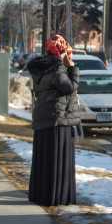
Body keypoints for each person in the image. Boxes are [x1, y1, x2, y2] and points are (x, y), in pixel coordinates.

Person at [26, 34, 80, 206]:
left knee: (44, 159)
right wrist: (72, 67)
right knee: (58, 160)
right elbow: (69, 87)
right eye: (67, 52)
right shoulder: (57, 69)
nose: (69, 55)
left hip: (43, 118)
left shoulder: (41, 67)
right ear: (61, 52)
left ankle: (41, 194)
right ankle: (57, 196)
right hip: (57, 119)